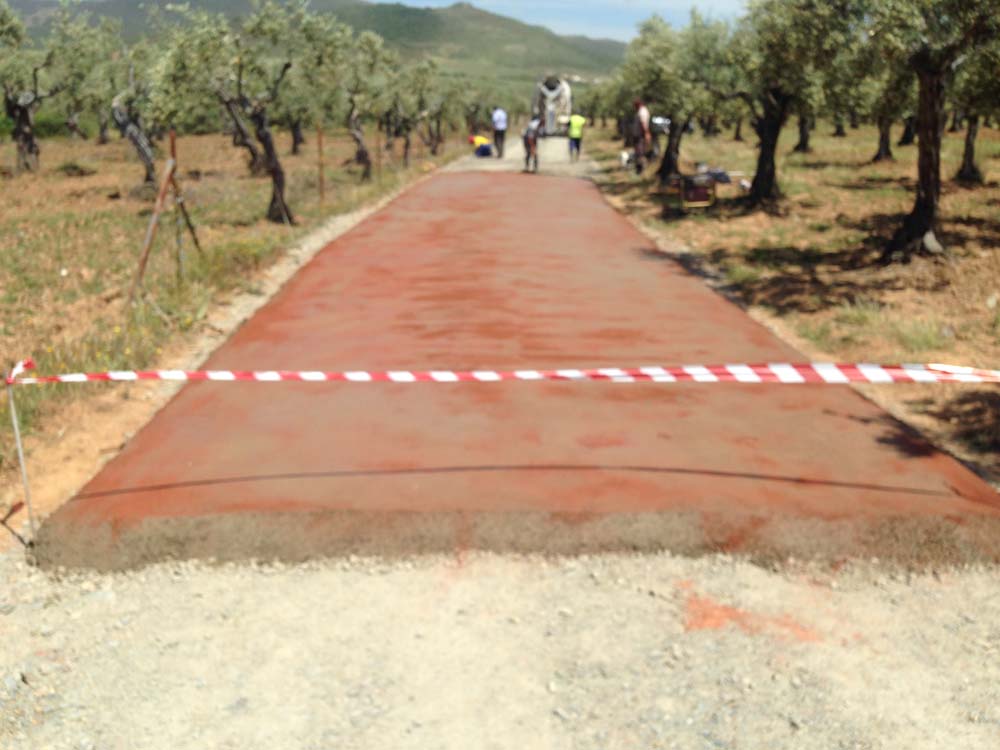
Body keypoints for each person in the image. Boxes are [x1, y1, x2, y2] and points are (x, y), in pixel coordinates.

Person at [633, 98, 652, 174]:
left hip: (640, 136)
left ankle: (641, 169)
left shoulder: (642, 112)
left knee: (640, 152)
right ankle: (639, 169)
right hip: (639, 135)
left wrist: (646, 133)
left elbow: (643, 123)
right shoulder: (640, 111)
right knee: (639, 152)